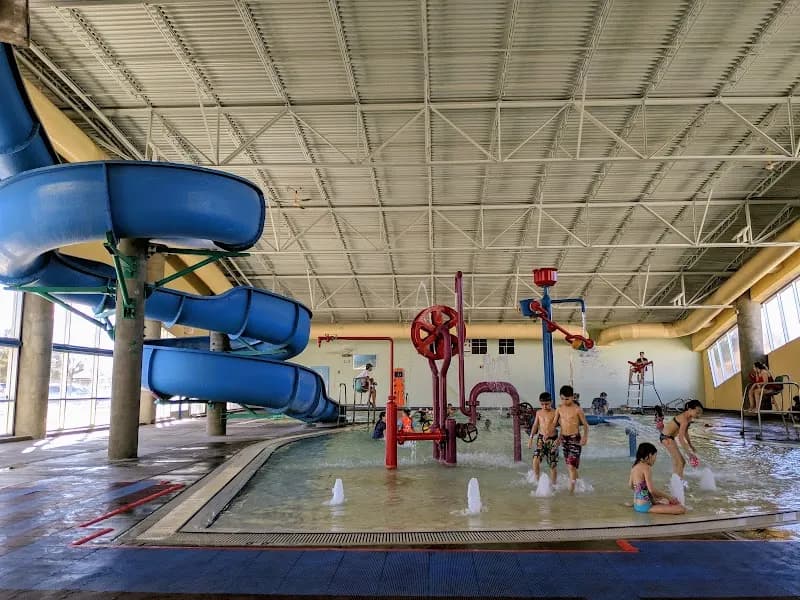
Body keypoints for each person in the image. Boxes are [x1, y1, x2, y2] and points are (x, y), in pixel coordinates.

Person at [629, 442, 685, 514]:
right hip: (645, 507)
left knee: (664, 501)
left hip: (637, 505)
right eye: (655, 457)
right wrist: (669, 497)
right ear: (649, 455)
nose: (655, 460)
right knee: (681, 509)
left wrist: (651, 499)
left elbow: (630, 485)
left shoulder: (634, 467)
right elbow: (652, 490)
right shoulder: (646, 468)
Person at [553, 385, 589, 494]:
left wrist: (585, 437)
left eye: (567, 399)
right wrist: (557, 438)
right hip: (564, 439)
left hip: (575, 439)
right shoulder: (559, 409)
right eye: (562, 399)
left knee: (571, 466)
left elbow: (586, 425)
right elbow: (555, 424)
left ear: (573, 397)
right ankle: (579, 485)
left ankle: (571, 492)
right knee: (570, 466)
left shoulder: (577, 410)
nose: (565, 401)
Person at [659, 399, 704, 478]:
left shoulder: (689, 419)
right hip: (666, 438)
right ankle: (679, 483)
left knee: (680, 462)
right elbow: (680, 438)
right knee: (680, 462)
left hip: (670, 438)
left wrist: (691, 446)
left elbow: (685, 433)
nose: (699, 415)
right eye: (697, 412)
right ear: (690, 409)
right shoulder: (684, 420)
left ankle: (676, 480)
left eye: (700, 413)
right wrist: (689, 454)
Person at [527, 392, 560, 486]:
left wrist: (559, 439)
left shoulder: (555, 413)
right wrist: (531, 438)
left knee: (552, 465)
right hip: (541, 439)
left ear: (551, 402)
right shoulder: (539, 413)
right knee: (535, 459)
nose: (544, 406)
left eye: (547, 404)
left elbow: (563, 426)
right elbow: (535, 425)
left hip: (552, 440)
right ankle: (537, 481)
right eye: (542, 404)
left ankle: (554, 485)